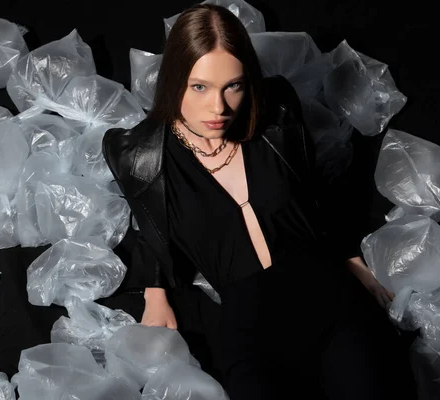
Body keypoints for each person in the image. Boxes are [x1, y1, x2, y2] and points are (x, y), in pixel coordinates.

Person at [102, 4, 418, 399]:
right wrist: (155, 294)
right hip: (250, 323)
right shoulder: (138, 153)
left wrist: (349, 256)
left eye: (232, 85)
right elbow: (148, 222)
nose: (218, 108)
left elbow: (310, 192)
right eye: (199, 86)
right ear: (173, 81)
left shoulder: (277, 110)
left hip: (325, 292)